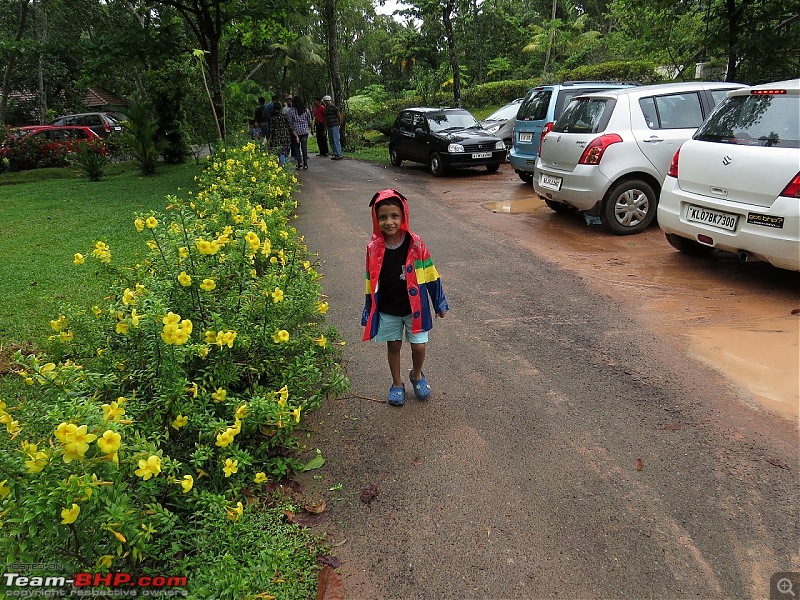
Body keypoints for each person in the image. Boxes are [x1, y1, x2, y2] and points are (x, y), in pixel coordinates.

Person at [361, 188, 448, 406]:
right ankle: (397, 383)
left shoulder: (416, 245)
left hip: (415, 309)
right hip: (389, 309)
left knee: (418, 346)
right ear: (376, 219)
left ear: (403, 217)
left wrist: (439, 302)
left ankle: (416, 374)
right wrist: (368, 309)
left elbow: (430, 275)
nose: (389, 222)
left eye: (394, 216)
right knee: (393, 346)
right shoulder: (373, 248)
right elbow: (370, 283)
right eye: (383, 217)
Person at [288, 95, 313, 170]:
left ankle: (299, 162)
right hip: (305, 131)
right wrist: (312, 129)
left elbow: (290, 123)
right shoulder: (306, 110)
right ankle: (305, 164)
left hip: (295, 132)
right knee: (304, 147)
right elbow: (310, 121)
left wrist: (293, 132)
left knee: (296, 148)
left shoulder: (291, 111)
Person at [267, 101, 292, 166]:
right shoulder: (284, 115)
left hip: (277, 136)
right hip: (286, 135)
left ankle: (283, 166)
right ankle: (285, 165)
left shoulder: (272, 117)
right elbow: (290, 125)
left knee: (280, 152)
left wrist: (270, 138)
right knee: (285, 151)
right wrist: (295, 135)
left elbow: (271, 129)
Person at [322, 95, 343, 160]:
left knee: (336, 140)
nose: (327, 102)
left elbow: (339, 116)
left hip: (335, 125)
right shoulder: (325, 109)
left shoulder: (334, 108)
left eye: (328, 101)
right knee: (331, 141)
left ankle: (339, 154)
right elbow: (325, 119)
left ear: (330, 101)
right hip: (329, 126)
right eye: (326, 101)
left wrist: (339, 124)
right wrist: (324, 129)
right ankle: (335, 154)